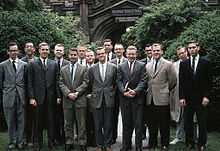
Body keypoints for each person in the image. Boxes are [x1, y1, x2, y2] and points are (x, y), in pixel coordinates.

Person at [27, 42, 61, 151]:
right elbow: (30, 82)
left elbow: (57, 82)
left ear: (49, 51)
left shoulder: (54, 64)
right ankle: (37, 143)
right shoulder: (32, 64)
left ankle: (51, 143)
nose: (45, 51)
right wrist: (31, 97)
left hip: (51, 97)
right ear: (39, 50)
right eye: (43, 50)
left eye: (47, 49)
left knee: (51, 122)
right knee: (37, 122)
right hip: (37, 98)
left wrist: (58, 96)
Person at [179, 40, 211, 151]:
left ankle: (202, 144)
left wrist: (206, 96)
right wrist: (181, 97)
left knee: (202, 122)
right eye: (190, 48)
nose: (191, 49)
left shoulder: (206, 62)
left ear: (198, 48)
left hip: (201, 99)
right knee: (188, 122)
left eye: (193, 47)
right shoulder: (183, 64)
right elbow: (181, 82)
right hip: (187, 99)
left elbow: (208, 81)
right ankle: (189, 143)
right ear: (188, 50)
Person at [144, 43, 177, 151]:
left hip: (163, 99)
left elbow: (173, 81)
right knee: (151, 124)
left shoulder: (168, 64)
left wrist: (165, 90)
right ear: (151, 52)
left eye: (158, 50)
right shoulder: (148, 66)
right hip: (150, 99)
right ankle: (152, 143)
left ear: (162, 51)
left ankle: (164, 144)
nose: (156, 52)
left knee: (164, 124)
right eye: (154, 51)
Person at [117, 46, 147, 151]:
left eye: (133, 54)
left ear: (136, 54)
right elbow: (119, 81)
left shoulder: (142, 65)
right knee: (126, 123)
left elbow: (143, 81)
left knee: (138, 123)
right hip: (125, 99)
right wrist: (124, 92)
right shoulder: (120, 66)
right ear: (126, 54)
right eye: (129, 54)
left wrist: (135, 91)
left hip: (137, 98)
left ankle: (138, 146)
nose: (131, 56)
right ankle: (126, 145)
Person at [87, 47, 117, 151]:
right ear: (96, 55)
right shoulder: (92, 69)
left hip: (109, 98)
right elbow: (90, 83)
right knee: (97, 124)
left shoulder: (113, 67)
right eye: (99, 54)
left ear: (106, 54)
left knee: (108, 124)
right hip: (96, 99)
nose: (101, 55)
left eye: (102, 53)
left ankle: (107, 144)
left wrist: (111, 93)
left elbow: (114, 83)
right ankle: (99, 145)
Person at [59, 48, 89, 151]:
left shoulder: (84, 68)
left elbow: (85, 83)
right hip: (67, 100)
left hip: (80, 99)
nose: (73, 56)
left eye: (75, 55)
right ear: (68, 55)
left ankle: (82, 143)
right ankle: (69, 142)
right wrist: (68, 93)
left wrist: (77, 92)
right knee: (68, 124)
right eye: (71, 55)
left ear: (78, 56)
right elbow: (61, 83)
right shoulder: (63, 69)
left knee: (81, 124)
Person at [0, 42, 27, 150]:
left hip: (21, 96)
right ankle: (12, 143)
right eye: (11, 50)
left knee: (22, 121)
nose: (13, 52)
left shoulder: (24, 65)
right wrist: (7, 90)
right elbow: (0, 82)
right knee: (10, 122)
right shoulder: (2, 65)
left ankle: (20, 143)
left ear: (18, 51)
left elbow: (26, 81)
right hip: (9, 97)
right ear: (8, 51)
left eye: (15, 50)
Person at [109, 43, 127, 144]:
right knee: (113, 116)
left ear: (123, 50)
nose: (118, 51)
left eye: (120, 49)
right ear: (114, 51)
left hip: (124, 93)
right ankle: (113, 137)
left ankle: (126, 139)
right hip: (114, 94)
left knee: (126, 117)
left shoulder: (127, 61)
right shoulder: (111, 62)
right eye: (116, 49)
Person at [21, 41, 38, 148]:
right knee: (27, 119)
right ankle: (28, 139)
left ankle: (35, 139)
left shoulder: (37, 61)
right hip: (24, 94)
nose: (29, 49)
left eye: (31, 47)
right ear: (24, 49)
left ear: (34, 49)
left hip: (36, 93)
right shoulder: (21, 61)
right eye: (27, 47)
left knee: (36, 118)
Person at [53, 44, 69, 146]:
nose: (59, 52)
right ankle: (57, 138)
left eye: (61, 50)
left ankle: (65, 138)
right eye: (57, 50)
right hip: (54, 95)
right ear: (54, 51)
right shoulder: (50, 63)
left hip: (66, 94)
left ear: (63, 52)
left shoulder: (68, 63)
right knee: (55, 118)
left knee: (66, 119)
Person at [139, 44, 152, 140]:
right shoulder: (141, 63)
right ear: (145, 52)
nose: (149, 52)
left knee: (151, 115)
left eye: (150, 50)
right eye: (147, 50)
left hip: (154, 92)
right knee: (142, 115)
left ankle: (152, 134)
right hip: (143, 93)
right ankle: (143, 133)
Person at [85, 49, 96, 147]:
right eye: (88, 56)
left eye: (91, 56)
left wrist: (93, 93)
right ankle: (88, 139)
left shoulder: (97, 67)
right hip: (84, 98)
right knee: (86, 120)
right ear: (85, 57)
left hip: (96, 97)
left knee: (95, 120)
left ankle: (95, 139)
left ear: (94, 57)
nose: (90, 58)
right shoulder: (82, 68)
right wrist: (86, 94)